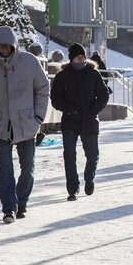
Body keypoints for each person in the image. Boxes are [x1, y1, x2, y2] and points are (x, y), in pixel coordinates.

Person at [0, 26, 50, 224]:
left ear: (14, 45)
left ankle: (21, 201)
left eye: (8, 45)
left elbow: (43, 87)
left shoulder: (29, 62)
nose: (5, 49)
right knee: (4, 168)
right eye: (1, 46)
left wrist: (38, 117)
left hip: (26, 124)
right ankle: (9, 208)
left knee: (28, 168)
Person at [51, 43, 109, 201]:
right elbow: (55, 99)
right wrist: (70, 109)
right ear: (71, 58)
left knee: (93, 155)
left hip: (89, 120)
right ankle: (72, 189)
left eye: (83, 56)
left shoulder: (93, 74)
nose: (81, 59)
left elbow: (104, 94)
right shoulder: (62, 76)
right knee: (69, 156)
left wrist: (93, 110)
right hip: (70, 121)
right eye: (78, 57)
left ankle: (89, 178)